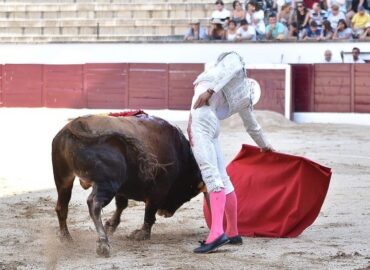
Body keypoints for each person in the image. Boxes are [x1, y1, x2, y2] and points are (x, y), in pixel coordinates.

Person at [188, 51, 273, 253]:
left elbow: (231, 67)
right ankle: (233, 231)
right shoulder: (244, 99)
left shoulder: (234, 58)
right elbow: (253, 127)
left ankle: (217, 232)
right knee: (223, 178)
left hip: (202, 118)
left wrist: (209, 91)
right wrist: (265, 145)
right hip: (213, 123)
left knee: (211, 175)